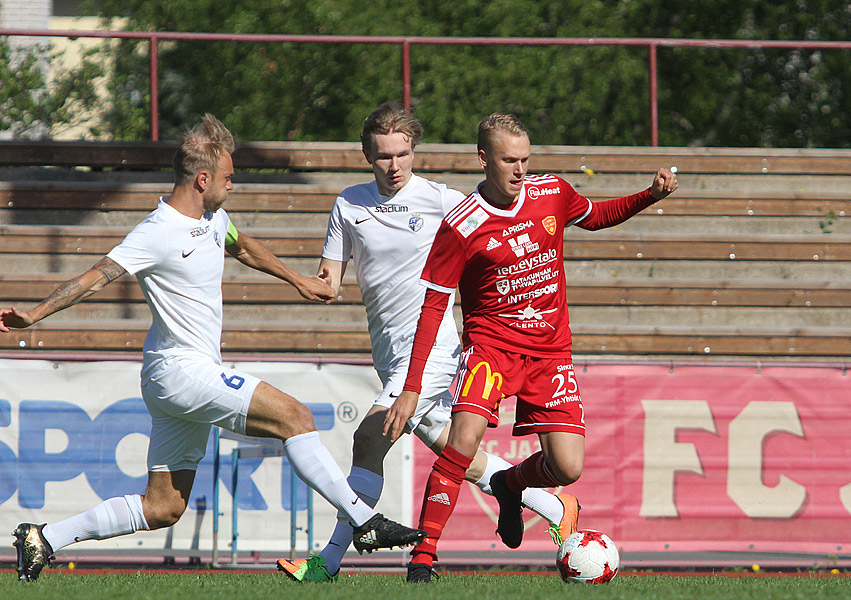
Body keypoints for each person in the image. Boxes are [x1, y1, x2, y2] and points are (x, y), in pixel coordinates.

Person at [0, 114, 425, 582]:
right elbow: (96, 277)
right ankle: (364, 523)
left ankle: (44, 538)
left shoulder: (212, 217)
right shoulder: (157, 231)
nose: (232, 184)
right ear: (202, 179)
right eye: (227, 177)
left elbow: (242, 246)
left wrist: (299, 280)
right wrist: (35, 315)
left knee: (163, 507)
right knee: (297, 417)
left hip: (176, 379)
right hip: (180, 371)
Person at [276, 103, 580, 584]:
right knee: (455, 452)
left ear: (414, 152)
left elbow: (495, 230)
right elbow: (329, 283)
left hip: (432, 351)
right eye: (382, 156)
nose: (393, 165)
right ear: (366, 155)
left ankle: (327, 562)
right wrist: (287, 275)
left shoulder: (441, 200)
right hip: (389, 353)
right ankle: (550, 503)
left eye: (402, 154)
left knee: (367, 439)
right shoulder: (348, 205)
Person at [384, 113, 678, 583]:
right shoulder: (461, 226)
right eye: (509, 160)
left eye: (525, 159)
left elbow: (596, 216)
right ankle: (425, 556)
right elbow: (433, 307)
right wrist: (411, 387)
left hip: (549, 352)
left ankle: (510, 482)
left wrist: (650, 195)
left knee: (567, 468)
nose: (520, 170)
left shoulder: (552, 192)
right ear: (484, 159)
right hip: (491, 350)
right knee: (463, 441)